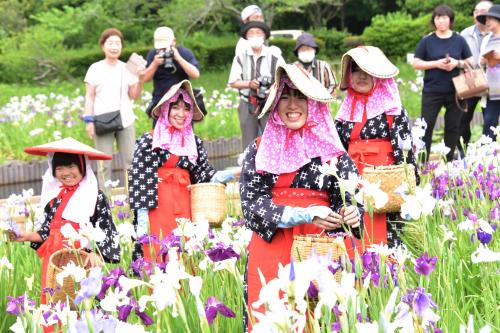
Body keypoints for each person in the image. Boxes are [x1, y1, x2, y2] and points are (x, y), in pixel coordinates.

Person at [240, 64, 362, 329]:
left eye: (300, 96)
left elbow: (350, 194)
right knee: (273, 316)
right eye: (285, 96)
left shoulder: (331, 150)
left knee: (321, 318)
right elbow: (251, 205)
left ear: (313, 104)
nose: (292, 105)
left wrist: (350, 211)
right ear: (274, 104)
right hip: (273, 244)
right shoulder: (259, 149)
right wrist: (302, 214)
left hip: (320, 246)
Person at [128, 80, 237, 262]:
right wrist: (141, 217)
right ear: (165, 108)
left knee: (185, 250)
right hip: (157, 207)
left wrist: (225, 175)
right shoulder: (149, 140)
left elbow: (203, 173)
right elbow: (140, 177)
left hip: (184, 207)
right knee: (156, 250)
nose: (181, 114)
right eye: (175, 108)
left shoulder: (194, 142)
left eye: (187, 108)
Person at [9, 138, 120, 306]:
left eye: (71, 166)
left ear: (82, 167)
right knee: (54, 304)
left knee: (80, 305)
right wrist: (26, 235)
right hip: (53, 261)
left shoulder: (93, 196)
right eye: (59, 168)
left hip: (81, 259)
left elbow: (106, 228)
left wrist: (96, 253)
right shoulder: (55, 198)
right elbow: (47, 231)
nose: (65, 172)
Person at [335, 46, 419, 249]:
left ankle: (389, 276)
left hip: (386, 183)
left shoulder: (392, 109)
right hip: (353, 182)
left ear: (377, 76)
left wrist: (409, 185)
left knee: (386, 237)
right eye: (355, 70)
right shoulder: (344, 112)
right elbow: (337, 151)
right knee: (355, 233)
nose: (361, 76)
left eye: (368, 71)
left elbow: (404, 150)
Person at [83, 28, 143, 186]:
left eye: (118, 43)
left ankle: (134, 203)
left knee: (131, 162)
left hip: (126, 120)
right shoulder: (95, 68)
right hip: (102, 121)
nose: (114, 47)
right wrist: (89, 121)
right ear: (103, 46)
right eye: (110, 43)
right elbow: (89, 97)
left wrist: (140, 79)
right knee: (104, 164)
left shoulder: (127, 68)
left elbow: (134, 95)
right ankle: (105, 204)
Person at [412, 5, 473, 161]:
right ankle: (422, 162)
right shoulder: (427, 40)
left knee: (453, 127)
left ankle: (449, 162)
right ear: (434, 20)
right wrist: (436, 64)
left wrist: (456, 63)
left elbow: (470, 61)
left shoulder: (459, 40)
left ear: (450, 20)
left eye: (445, 17)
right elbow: (416, 63)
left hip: (456, 91)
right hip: (432, 90)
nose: (441, 21)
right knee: (426, 126)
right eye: (438, 17)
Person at [228, 21, 285, 151]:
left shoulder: (275, 55)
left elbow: (284, 79)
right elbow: (233, 82)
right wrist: (250, 84)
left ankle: (273, 168)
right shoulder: (240, 57)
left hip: (270, 103)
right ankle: (249, 167)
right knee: (249, 142)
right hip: (248, 102)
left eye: (258, 33)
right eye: (251, 33)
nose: (255, 36)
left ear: (264, 36)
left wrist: (271, 90)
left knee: (272, 138)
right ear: (246, 37)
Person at [142, 27, 200, 126]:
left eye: (166, 47)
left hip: (182, 107)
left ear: (174, 41)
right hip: (160, 104)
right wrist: (154, 64)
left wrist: (178, 58)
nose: (164, 50)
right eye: (161, 48)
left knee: (184, 139)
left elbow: (196, 75)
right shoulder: (153, 54)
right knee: (160, 139)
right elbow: (145, 79)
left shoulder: (184, 53)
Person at [459, 1, 493, 152]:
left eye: (483, 10)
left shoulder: (497, 33)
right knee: (463, 119)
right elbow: (458, 55)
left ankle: (489, 154)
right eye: (476, 11)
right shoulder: (465, 33)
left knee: (490, 120)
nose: (479, 14)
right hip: (471, 78)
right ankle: (463, 152)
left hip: (493, 80)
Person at [477, 4, 500, 140]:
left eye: (490, 19)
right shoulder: (487, 39)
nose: (487, 22)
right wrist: (483, 60)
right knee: (489, 126)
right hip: (492, 92)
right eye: (486, 19)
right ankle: (487, 158)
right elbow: (481, 63)